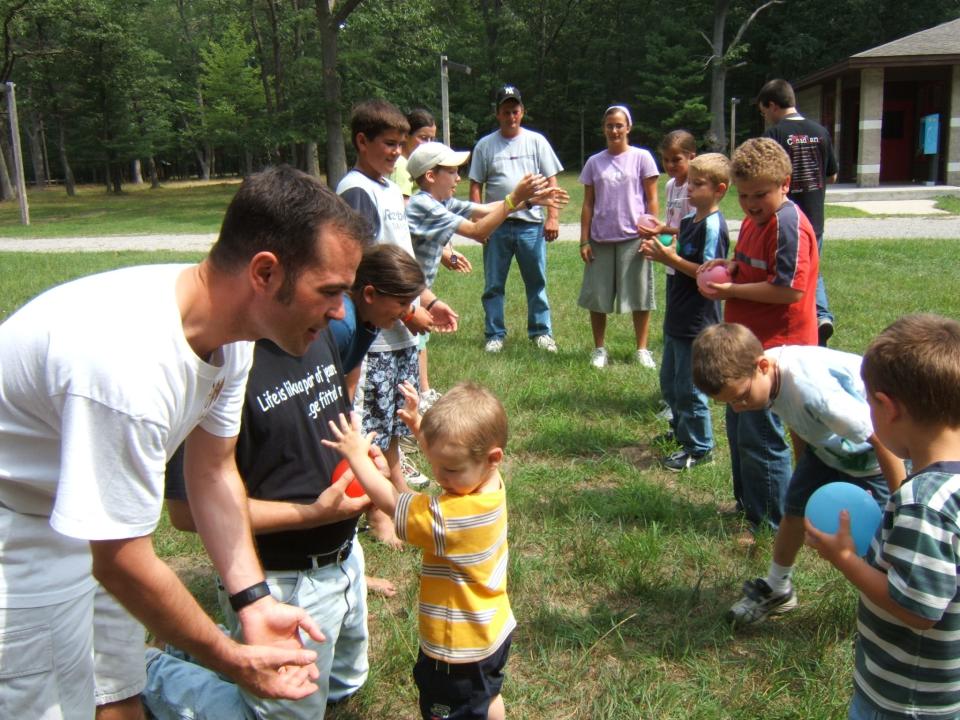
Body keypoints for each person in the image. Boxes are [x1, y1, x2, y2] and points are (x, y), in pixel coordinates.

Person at [0, 165, 364, 720]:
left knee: (118, 691)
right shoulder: (128, 368)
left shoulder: (232, 332)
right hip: (19, 529)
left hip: (82, 512)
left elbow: (213, 473)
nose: (341, 312)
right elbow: (121, 559)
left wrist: (253, 599)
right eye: (330, 291)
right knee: (54, 703)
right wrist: (231, 658)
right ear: (264, 273)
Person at [143, 302, 377, 719]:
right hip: (280, 579)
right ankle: (145, 669)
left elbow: (324, 418)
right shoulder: (216, 361)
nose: (340, 312)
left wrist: (359, 459)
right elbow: (187, 513)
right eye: (327, 291)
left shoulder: (315, 326)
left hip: (345, 558)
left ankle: (194, 643)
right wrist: (310, 515)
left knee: (344, 687)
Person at [322, 382, 514, 720]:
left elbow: (391, 501)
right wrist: (418, 425)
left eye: (450, 470)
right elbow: (448, 451)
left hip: (457, 649)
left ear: (492, 458)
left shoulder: (455, 517)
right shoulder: (490, 485)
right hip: (491, 633)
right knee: (485, 696)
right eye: (436, 464)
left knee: (448, 711)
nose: (439, 476)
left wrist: (356, 458)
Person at [692, 323, 905, 627]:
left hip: (873, 461)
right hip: (826, 450)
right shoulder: (769, 377)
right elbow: (796, 419)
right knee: (794, 512)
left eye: (740, 397)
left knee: (880, 538)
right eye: (729, 404)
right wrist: (804, 470)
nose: (738, 409)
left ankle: (893, 607)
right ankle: (778, 588)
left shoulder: (815, 393)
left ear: (762, 365)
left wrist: (902, 505)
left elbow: (882, 440)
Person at [805, 314, 960, 719]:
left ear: (887, 408)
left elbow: (918, 610)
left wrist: (846, 561)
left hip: (906, 699)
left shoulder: (923, 504)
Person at [336, 99, 459, 530]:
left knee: (390, 423)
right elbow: (364, 266)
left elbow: (403, 257)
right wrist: (407, 313)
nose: (395, 154)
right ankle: (377, 515)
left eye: (399, 145)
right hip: (379, 332)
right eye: (388, 145)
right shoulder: (356, 189)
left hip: (400, 324)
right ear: (361, 141)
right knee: (369, 422)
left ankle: (397, 497)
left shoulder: (390, 188)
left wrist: (426, 300)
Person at [698, 137, 819, 531]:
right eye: (744, 195)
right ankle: (749, 504)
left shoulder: (788, 224)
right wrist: (731, 266)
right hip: (747, 343)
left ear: (785, 183)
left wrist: (730, 291)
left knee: (762, 437)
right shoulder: (755, 219)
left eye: (761, 194)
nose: (751, 204)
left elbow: (789, 288)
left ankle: (770, 522)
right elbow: (754, 267)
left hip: (778, 347)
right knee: (739, 426)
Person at [640, 153, 730, 470]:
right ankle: (680, 433)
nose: (689, 188)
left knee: (691, 389)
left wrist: (669, 260)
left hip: (698, 321)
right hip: (678, 316)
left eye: (698, 183)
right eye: (689, 181)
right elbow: (674, 240)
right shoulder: (691, 221)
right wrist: (658, 240)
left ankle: (700, 448)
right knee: (672, 383)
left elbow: (709, 275)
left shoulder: (713, 227)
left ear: (720, 189)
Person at [469, 84, 564, 354]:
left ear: (522, 112)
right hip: (496, 224)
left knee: (536, 281)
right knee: (494, 284)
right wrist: (480, 224)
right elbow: (476, 185)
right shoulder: (485, 146)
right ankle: (495, 334)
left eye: (515, 110)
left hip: (531, 223)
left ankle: (541, 332)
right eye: (506, 111)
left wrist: (553, 217)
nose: (511, 115)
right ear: (497, 114)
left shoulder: (536, 142)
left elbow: (552, 181)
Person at [578, 105, 659, 370]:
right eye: (609, 125)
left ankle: (642, 349)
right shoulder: (594, 162)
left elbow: (652, 199)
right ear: (604, 128)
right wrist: (584, 239)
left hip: (634, 238)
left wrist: (652, 234)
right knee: (598, 298)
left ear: (628, 127)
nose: (614, 130)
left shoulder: (642, 158)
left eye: (619, 125)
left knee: (640, 295)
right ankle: (599, 349)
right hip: (600, 239)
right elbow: (588, 204)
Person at [758, 78, 838, 346]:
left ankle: (812, 319)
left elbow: (763, 176)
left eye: (764, 111)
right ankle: (821, 317)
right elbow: (833, 174)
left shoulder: (775, 135)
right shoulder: (820, 131)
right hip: (814, 217)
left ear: (772, 105)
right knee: (812, 270)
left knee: (788, 277)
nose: (766, 117)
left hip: (784, 219)